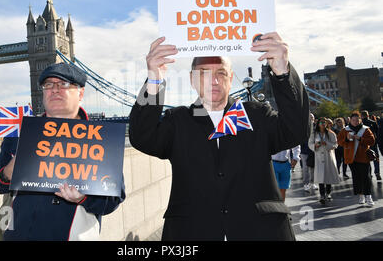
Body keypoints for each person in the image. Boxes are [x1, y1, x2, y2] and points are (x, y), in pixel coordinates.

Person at [129, 33, 310, 240]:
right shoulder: (177, 121)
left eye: (221, 73)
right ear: (191, 80)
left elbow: (298, 130)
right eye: (204, 73)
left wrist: (282, 72)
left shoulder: (257, 115)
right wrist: (154, 79)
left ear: (231, 78)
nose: (214, 81)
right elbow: (141, 136)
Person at [0, 63, 126, 240]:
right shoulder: (20, 134)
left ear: (81, 93)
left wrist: (83, 198)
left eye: (63, 84)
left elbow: (113, 200)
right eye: (48, 85)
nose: (54, 90)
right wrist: (10, 170)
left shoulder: (100, 139)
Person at [338, 111, 376, 206]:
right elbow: (339, 142)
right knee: (356, 178)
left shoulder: (365, 129)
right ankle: (361, 196)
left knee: (366, 177)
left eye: (357, 120)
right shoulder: (345, 130)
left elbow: (372, 141)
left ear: (360, 120)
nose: (355, 122)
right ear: (350, 120)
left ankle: (368, 196)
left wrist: (360, 139)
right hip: (351, 158)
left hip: (363, 157)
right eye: (353, 120)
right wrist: (346, 139)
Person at [309, 117, 340, 204]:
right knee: (321, 177)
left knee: (328, 176)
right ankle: (322, 195)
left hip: (328, 156)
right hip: (319, 157)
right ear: (318, 123)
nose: (323, 124)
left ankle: (328, 193)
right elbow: (310, 143)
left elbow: (335, 144)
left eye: (324, 122)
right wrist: (315, 145)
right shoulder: (314, 134)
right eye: (321, 122)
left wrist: (327, 144)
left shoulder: (330, 133)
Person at [361, 110, 381, 181]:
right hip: (373, 143)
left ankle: (369, 174)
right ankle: (377, 172)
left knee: (366, 160)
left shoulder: (360, 124)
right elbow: (377, 133)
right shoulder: (373, 122)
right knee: (376, 158)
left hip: (364, 144)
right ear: (368, 115)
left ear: (362, 116)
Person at [301, 113, 316, 192]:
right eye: (309, 117)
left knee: (313, 168)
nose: (311, 119)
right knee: (305, 168)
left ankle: (313, 182)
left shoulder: (316, 128)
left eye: (312, 117)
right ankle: (306, 184)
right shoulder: (303, 128)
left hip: (313, 150)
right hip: (305, 150)